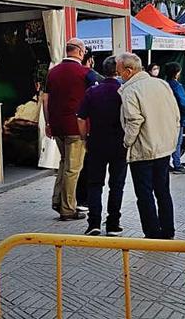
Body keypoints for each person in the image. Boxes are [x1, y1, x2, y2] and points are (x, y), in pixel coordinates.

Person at [116, 52, 180, 239]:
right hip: (164, 147)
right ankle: (168, 231)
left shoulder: (130, 90)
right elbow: (175, 114)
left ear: (129, 71)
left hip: (143, 149)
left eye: (120, 71)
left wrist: (127, 142)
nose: (119, 75)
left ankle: (152, 233)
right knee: (163, 191)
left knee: (145, 194)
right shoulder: (161, 83)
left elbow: (134, 121)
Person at [42, 38, 98, 220]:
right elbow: (92, 100)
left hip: (57, 125)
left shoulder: (53, 72)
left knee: (63, 163)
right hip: (77, 127)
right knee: (73, 169)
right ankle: (68, 208)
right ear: (81, 52)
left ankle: (57, 200)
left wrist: (48, 123)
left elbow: (45, 100)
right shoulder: (86, 73)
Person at [76, 57, 127, 236]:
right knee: (117, 185)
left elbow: (81, 118)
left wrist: (84, 138)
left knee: (95, 184)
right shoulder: (124, 91)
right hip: (120, 144)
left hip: (96, 143)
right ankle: (113, 224)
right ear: (119, 70)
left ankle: (93, 224)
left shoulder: (92, 91)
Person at [163, 62, 185, 175]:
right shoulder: (177, 86)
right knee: (177, 143)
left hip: (166, 117)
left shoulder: (164, 84)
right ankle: (177, 164)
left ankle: (166, 164)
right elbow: (183, 103)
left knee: (167, 142)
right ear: (177, 73)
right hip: (178, 117)